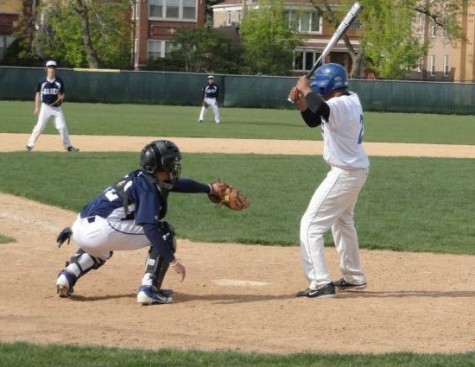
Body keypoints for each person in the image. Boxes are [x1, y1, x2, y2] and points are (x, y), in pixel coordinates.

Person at [55, 140, 226, 305]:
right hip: (101, 231)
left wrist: (208, 188)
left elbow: (175, 185)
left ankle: (69, 274)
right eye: (171, 163)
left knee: (102, 248)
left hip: (79, 226)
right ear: (162, 165)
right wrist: (173, 261)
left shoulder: (138, 176)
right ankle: (148, 289)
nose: (174, 166)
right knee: (164, 232)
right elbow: (149, 227)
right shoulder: (148, 190)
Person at [288, 63, 370, 298]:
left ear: (326, 85)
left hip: (344, 173)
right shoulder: (350, 98)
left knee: (310, 225)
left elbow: (322, 109)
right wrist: (302, 102)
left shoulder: (341, 104)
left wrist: (305, 89)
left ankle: (320, 283)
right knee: (343, 222)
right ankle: (353, 277)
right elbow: (316, 119)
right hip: (355, 170)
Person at [26, 60, 79, 152]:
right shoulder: (42, 81)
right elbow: (37, 94)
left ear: (56, 69)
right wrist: (36, 107)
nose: (51, 69)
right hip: (45, 107)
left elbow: (62, 94)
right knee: (39, 127)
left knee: (62, 127)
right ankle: (30, 145)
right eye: (50, 67)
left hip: (57, 108)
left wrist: (61, 99)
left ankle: (68, 147)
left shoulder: (59, 81)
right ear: (46, 69)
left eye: (53, 68)